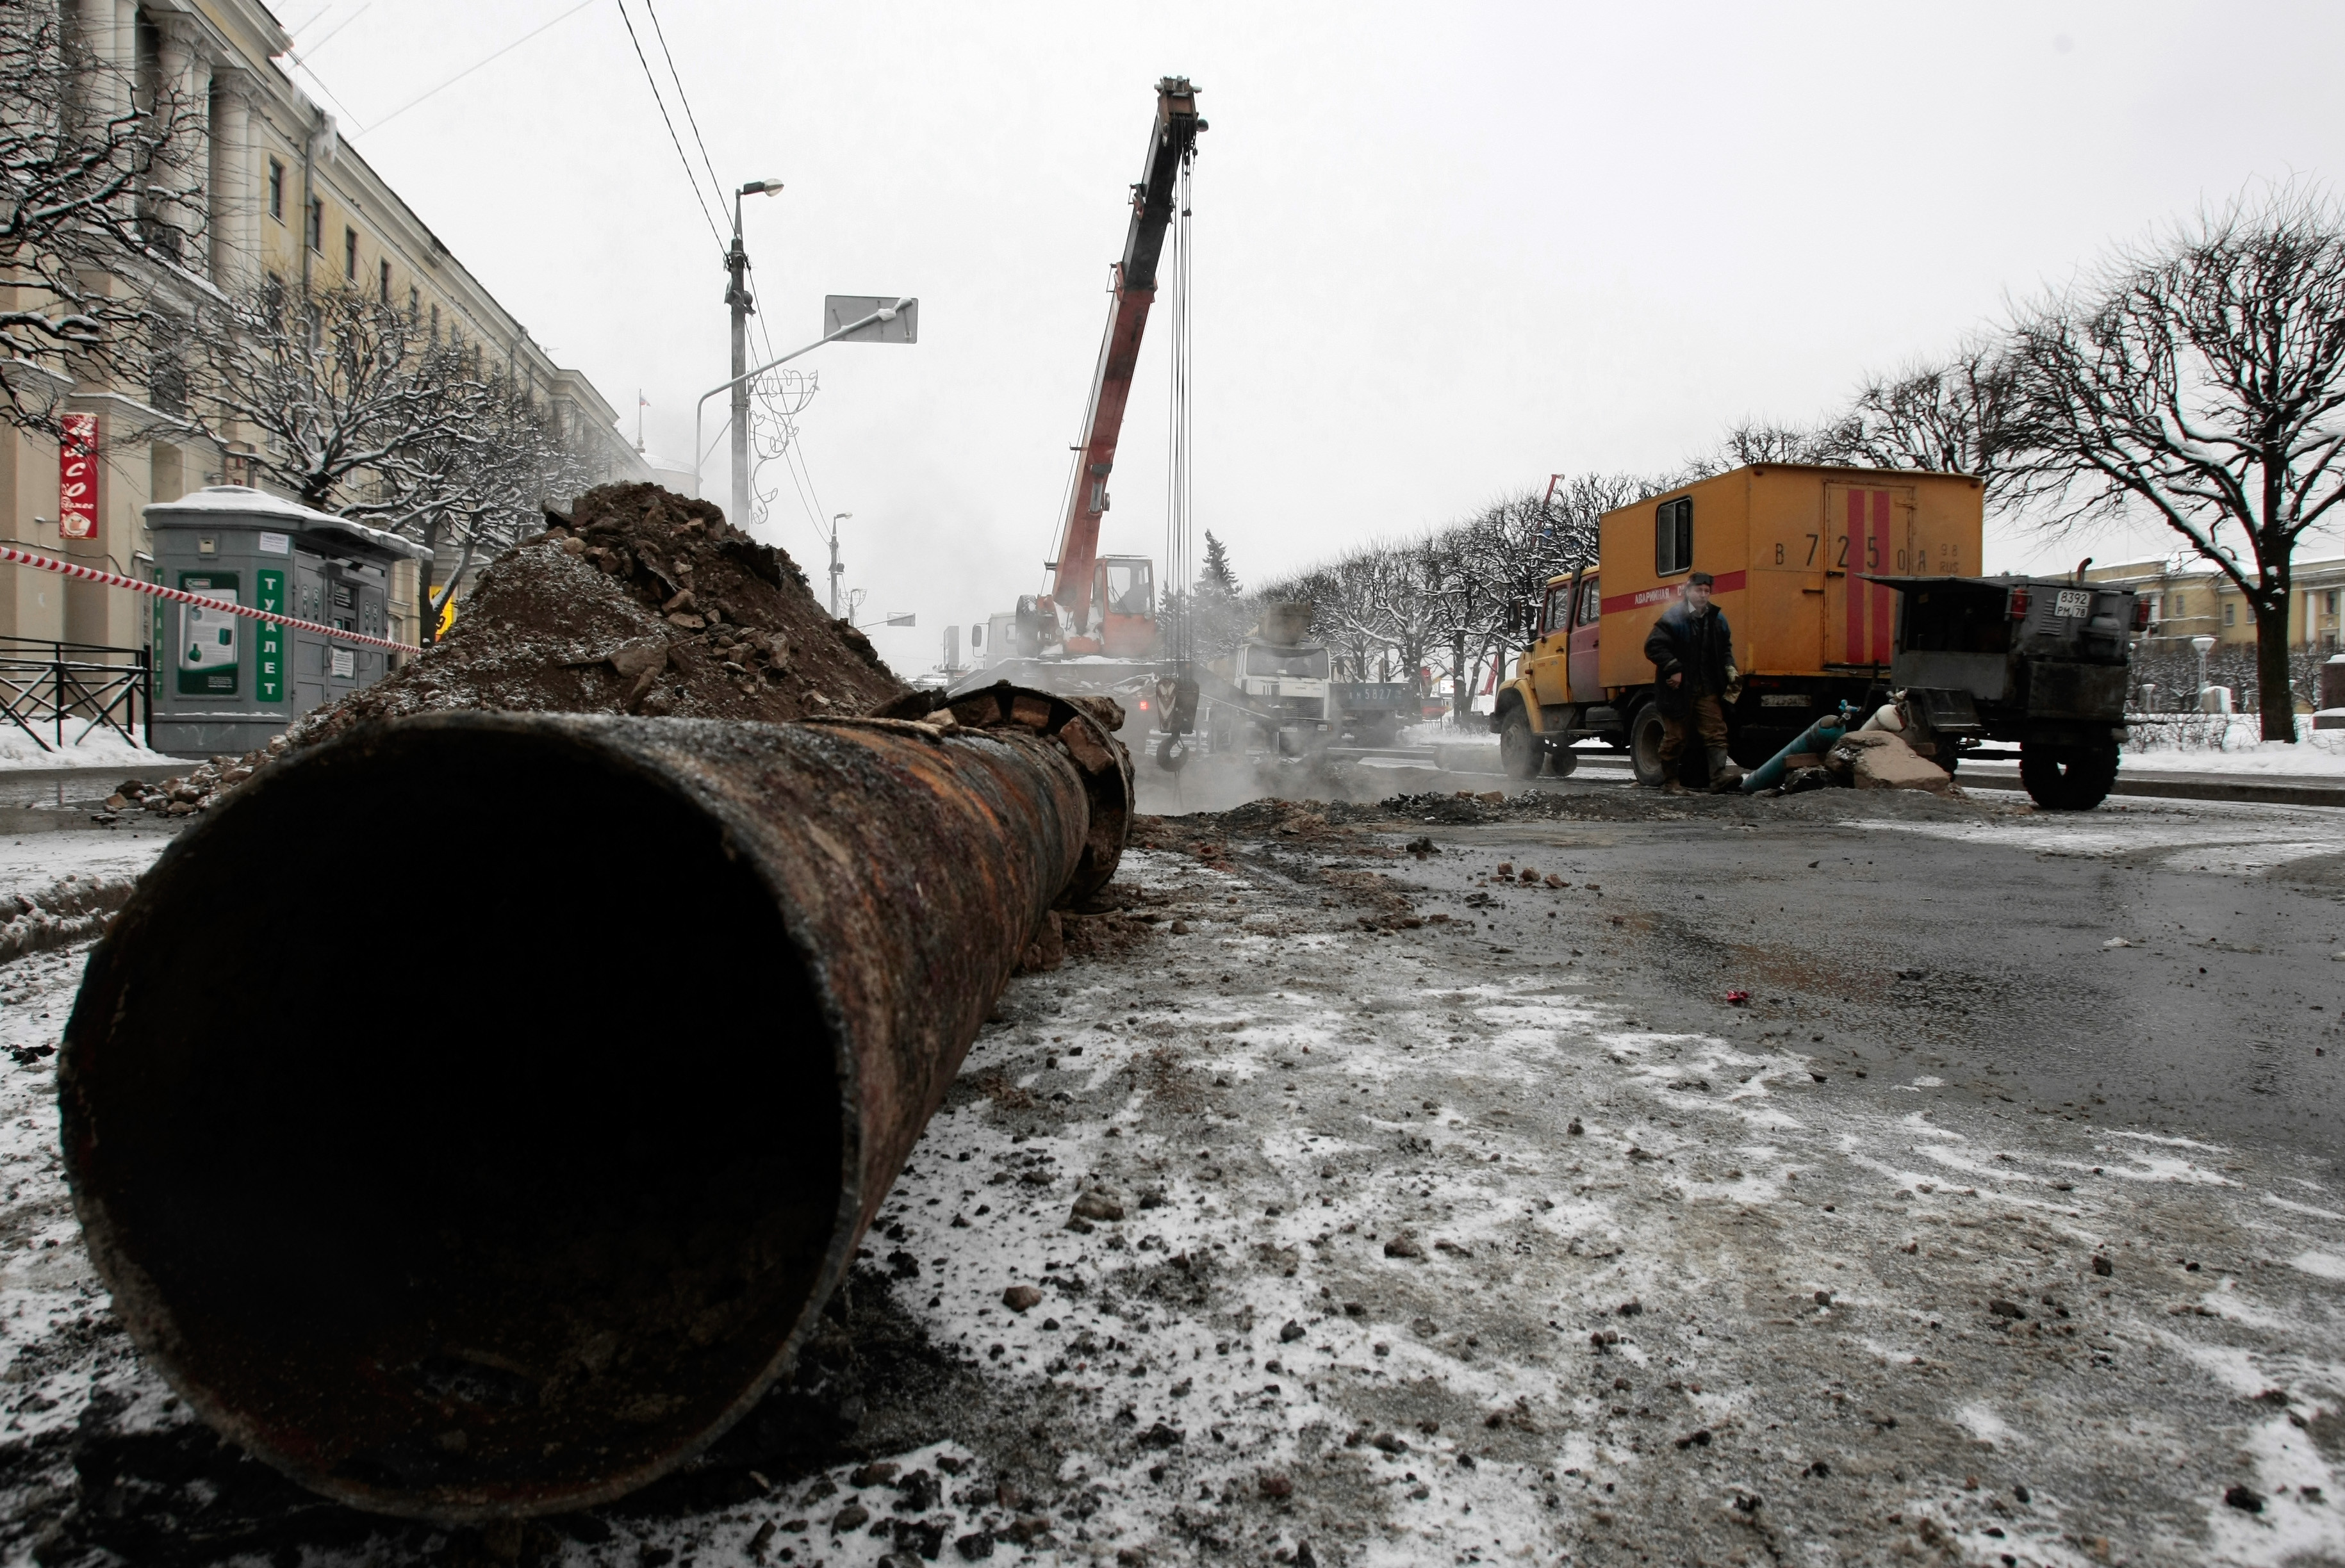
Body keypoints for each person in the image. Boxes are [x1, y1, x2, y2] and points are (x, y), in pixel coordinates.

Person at [1643, 572, 1744, 791]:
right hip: (1678, 690)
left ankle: (1718, 778)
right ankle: (1671, 782)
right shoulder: (1674, 617)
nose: (1703, 595)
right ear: (1688, 591)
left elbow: (1725, 648)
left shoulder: (1717, 619)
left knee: (1716, 731)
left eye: (1707, 591)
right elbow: (1654, 646)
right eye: (1699, 590)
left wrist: (1730, 668)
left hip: (1707, 686)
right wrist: (1674, 668)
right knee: (1676, 737)